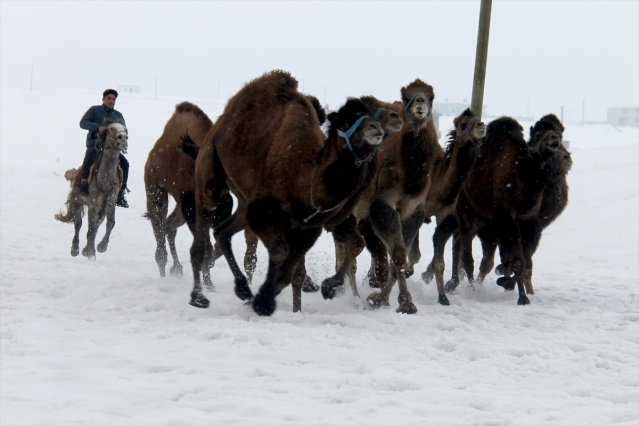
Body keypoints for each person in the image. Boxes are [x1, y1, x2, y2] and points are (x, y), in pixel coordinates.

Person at [79, 88, 130, 208]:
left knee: (125, 164)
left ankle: (121, 193)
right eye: (109, 98)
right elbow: (82, 123)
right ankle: (83, 186)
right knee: (89, 157)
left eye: (113, 99)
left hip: (112, 149)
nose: (111, 101)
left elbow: (123, 130)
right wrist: (98, 127)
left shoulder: (118, 115)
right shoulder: (94, 110)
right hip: (96, 145)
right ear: (103, 99)